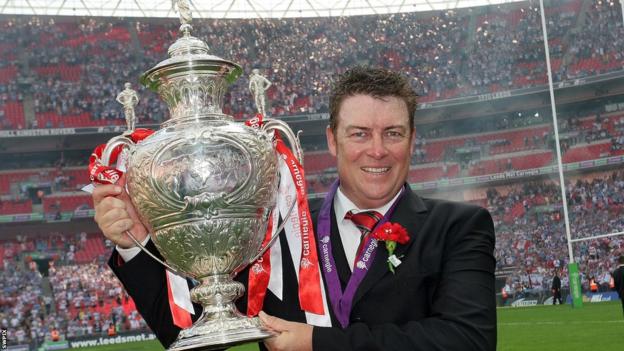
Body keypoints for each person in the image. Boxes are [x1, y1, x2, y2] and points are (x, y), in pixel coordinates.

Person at [93, 66, 496, 350]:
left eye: (393, 133)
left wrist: (316, 343)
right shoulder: (275, 224)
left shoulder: (459, 226)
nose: (377, 150)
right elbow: (184, 330)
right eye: (359, 133)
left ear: (411, 141)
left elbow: (468, 340)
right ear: (333, 141)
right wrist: (133, 241)